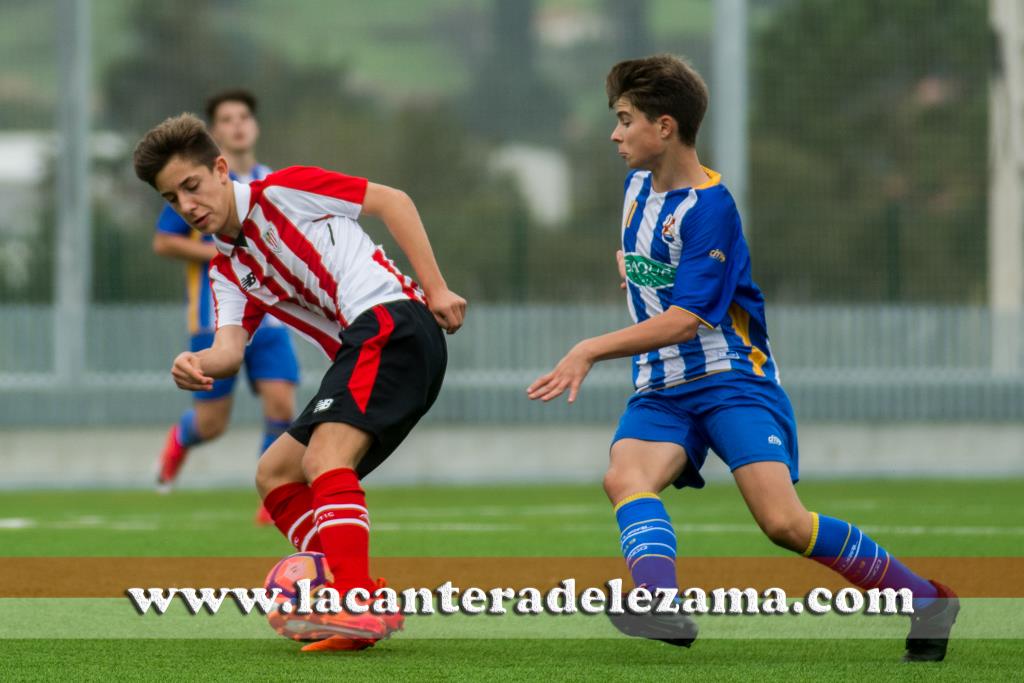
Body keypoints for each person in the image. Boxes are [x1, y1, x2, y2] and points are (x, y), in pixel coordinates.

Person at [527, 54, 958, 662]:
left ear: (666, 127)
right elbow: (642, 262)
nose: (615, 134)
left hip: (734, 381)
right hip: (661, 387)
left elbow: (687, 320)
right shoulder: (634, 189)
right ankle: (660, 606)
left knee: (784, 524)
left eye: (625, 120)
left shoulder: (712, 208)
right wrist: (632, 273)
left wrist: (589, 348)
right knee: (625, 477)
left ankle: (925, 600)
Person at [133, 113, 465, 651]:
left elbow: (393, 201)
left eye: (191, 186)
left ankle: (353, 601)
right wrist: (195, 363)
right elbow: (229, 350)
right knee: (275, 472)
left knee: (322, 460)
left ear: (220, 169)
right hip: (368, 349)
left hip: (391, 322)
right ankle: (348, 596)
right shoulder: (227, 269)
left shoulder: (285, 189)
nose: (188, 206)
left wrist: (439, 289)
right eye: (172, 199)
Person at [152, 90, 299, 528]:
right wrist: (224, 257)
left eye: (244, 117)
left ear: (254, 126)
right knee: (212, 423)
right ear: (214, 133)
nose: (237, 125)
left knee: (281, 404)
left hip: (271, 318)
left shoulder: (270, 181)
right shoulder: (194, 187)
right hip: (214, 317)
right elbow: (163, 240)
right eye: (227, 119)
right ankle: (181, 440)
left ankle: (272, 498)